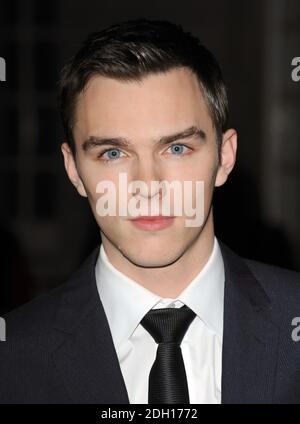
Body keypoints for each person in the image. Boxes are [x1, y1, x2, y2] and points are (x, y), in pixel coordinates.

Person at [1, 18, 300, 404]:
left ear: (225, 157)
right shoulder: (13, 361)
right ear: (74, 170)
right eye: (113, 153)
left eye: (176, 148)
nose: (147, 185)